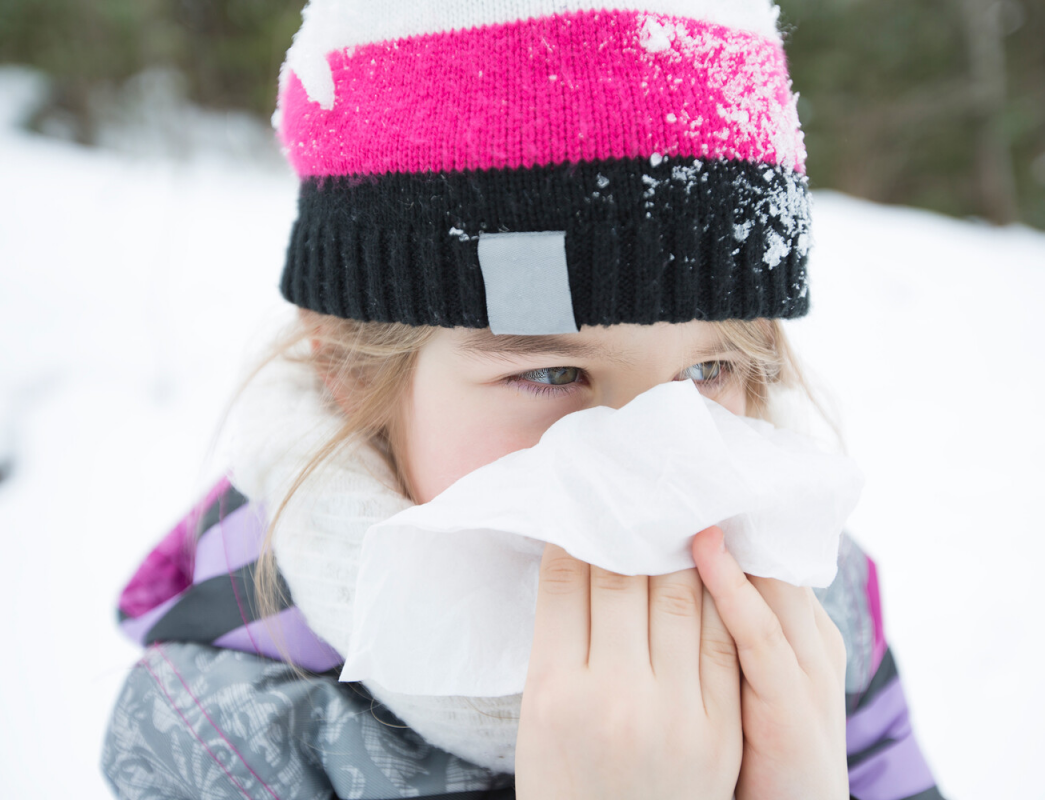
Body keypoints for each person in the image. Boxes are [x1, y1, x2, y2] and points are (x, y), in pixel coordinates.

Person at [101, 2, 944, 798]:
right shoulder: (222, 743)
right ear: (352, 369)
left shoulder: (807, 626)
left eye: (707, 371)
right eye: (552, 375)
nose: (657, 472)